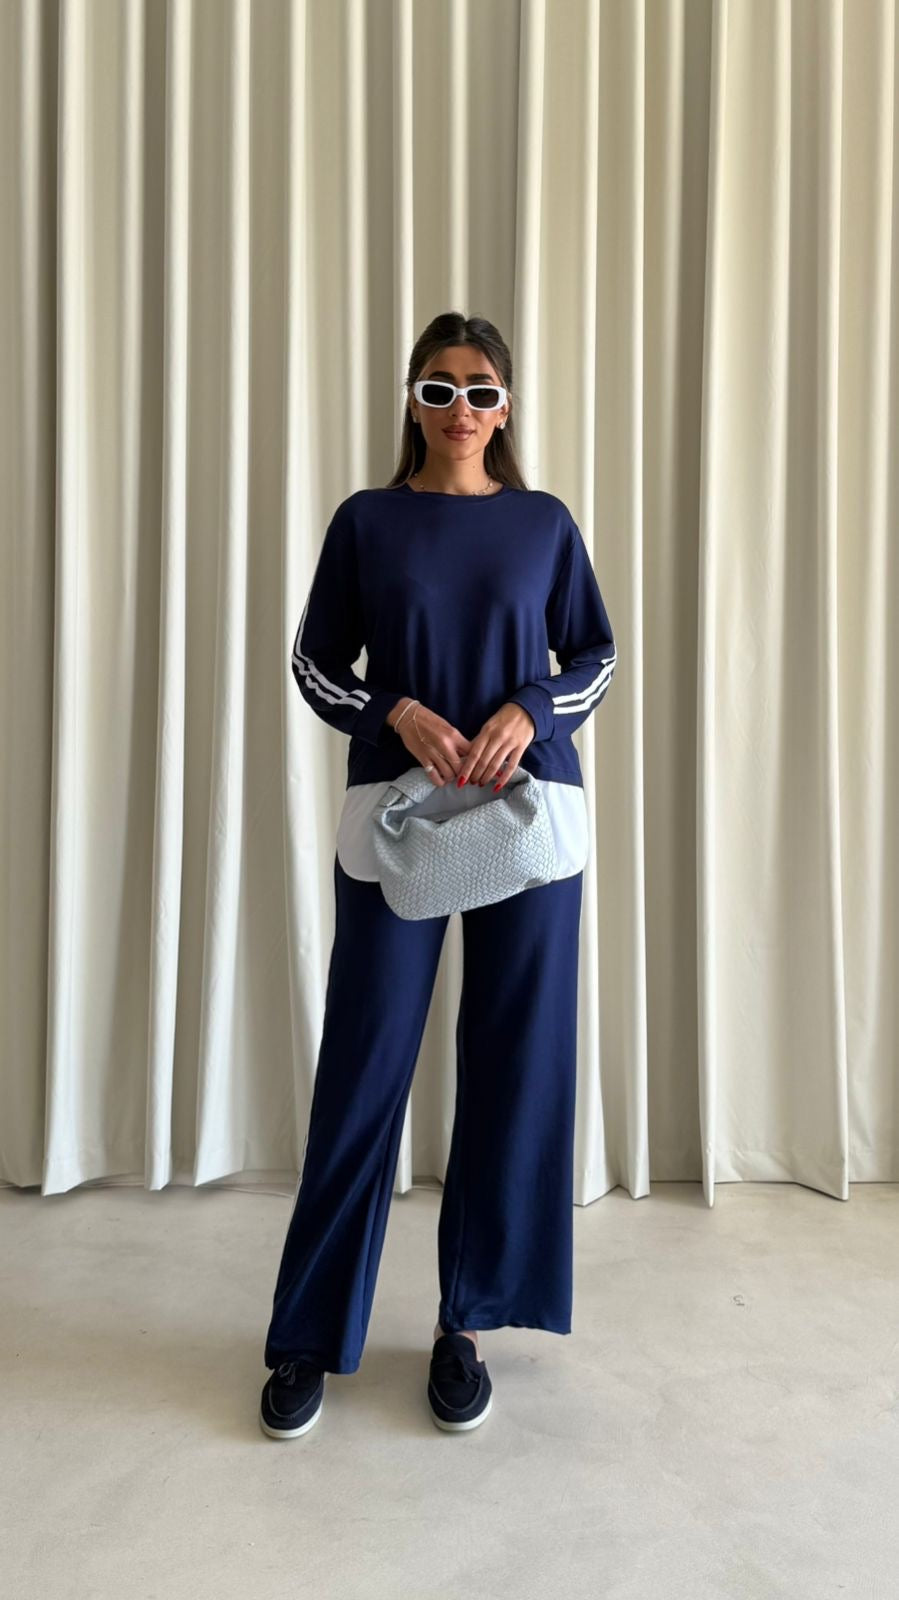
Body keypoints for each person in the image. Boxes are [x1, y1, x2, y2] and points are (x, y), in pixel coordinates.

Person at [259, 311, 617, 1439]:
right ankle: (307, 1336)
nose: (459, 408)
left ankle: (465, 1323)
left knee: (514, 1066)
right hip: (399, 818)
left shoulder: (543, 523)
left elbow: (594, 654)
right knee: (363, 1065)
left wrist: (530, 709)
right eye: (438, 387)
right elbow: (316, 662)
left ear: (505, 409)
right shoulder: (367, 521)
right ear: (412, 401)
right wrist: (395, 711)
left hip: (526, 819)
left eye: (479, 390)